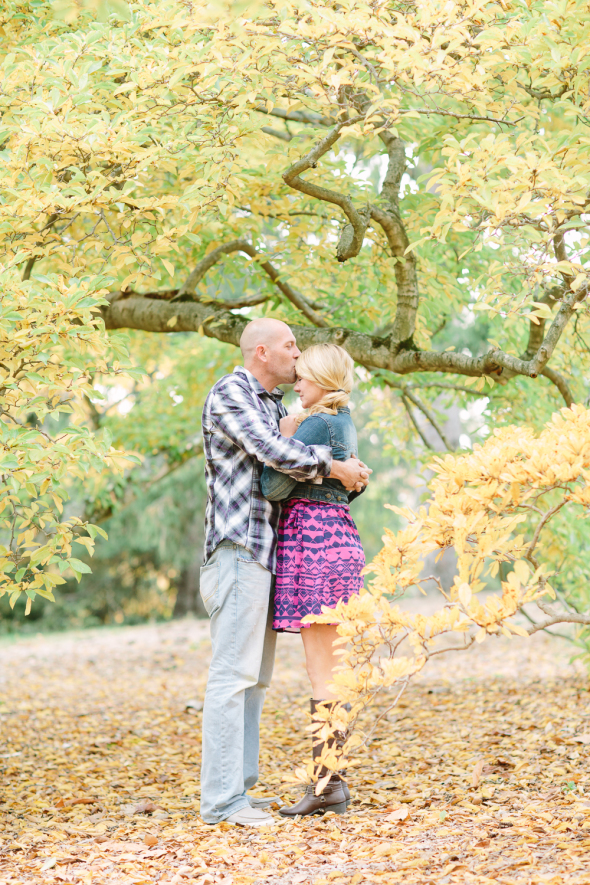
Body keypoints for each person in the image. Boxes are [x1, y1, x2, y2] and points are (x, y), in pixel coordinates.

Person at [199, 318, 371, 827]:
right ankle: (223, 802)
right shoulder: (231, 394)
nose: (297, 355)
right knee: (233, 677)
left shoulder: (277, 405)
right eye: (289, 346)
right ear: (261, 352)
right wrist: (337, 467)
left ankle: (240, 792)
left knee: (255, 680)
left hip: (271, 554)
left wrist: (344, 470)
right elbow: (275, 456)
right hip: (237, 549)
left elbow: (297, 475)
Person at [260, 343, 365, 817]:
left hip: (314, 545)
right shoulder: (344, 422)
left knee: (323, 674)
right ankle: (330, 783)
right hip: (336, 539)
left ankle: (327, 786)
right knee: (331, 671)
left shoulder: (316, 422)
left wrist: (283, 433)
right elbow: (347, 489)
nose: (295, 384)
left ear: (322, 378)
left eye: (302, 377)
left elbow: (274, 487)